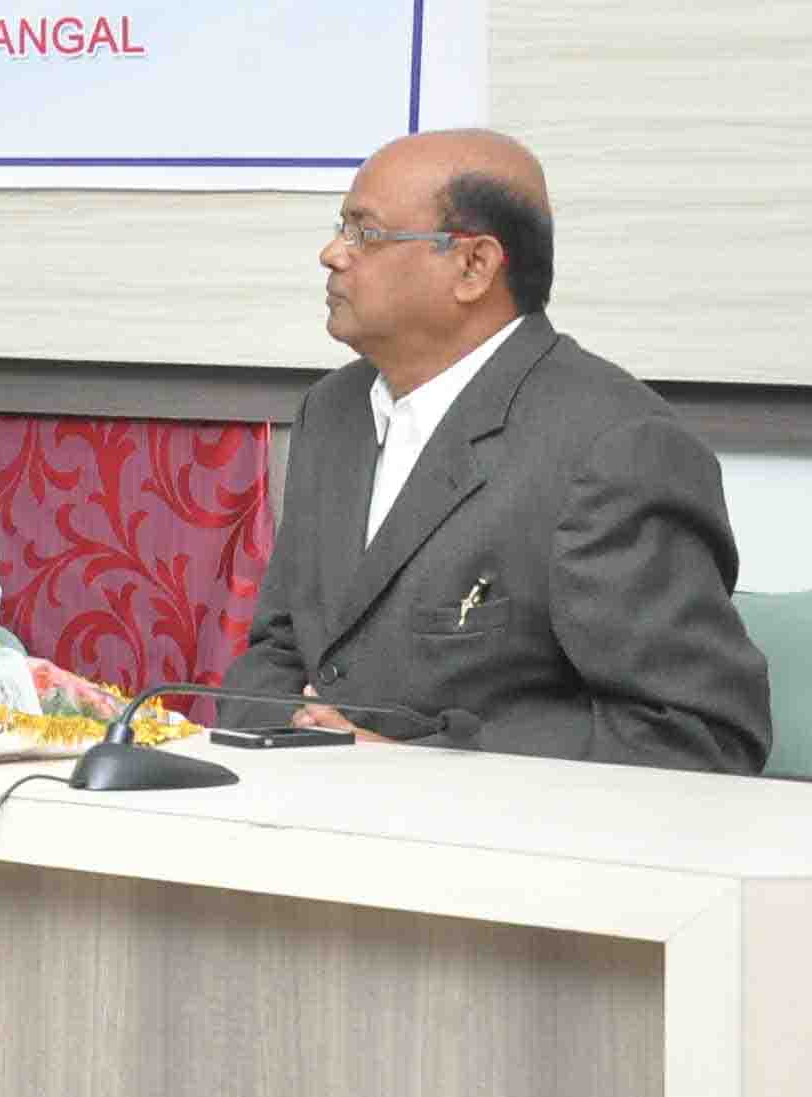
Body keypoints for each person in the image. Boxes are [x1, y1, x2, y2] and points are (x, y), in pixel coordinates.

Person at [221, 129, 769, 771]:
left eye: (364, 233)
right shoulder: (332, 411)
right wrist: (293, 731)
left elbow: (701, 735)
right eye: (341, 228)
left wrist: (410, 766)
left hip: (495, 829)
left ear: (474, 267)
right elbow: (280, 649)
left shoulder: (614, 445)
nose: (331, 254)